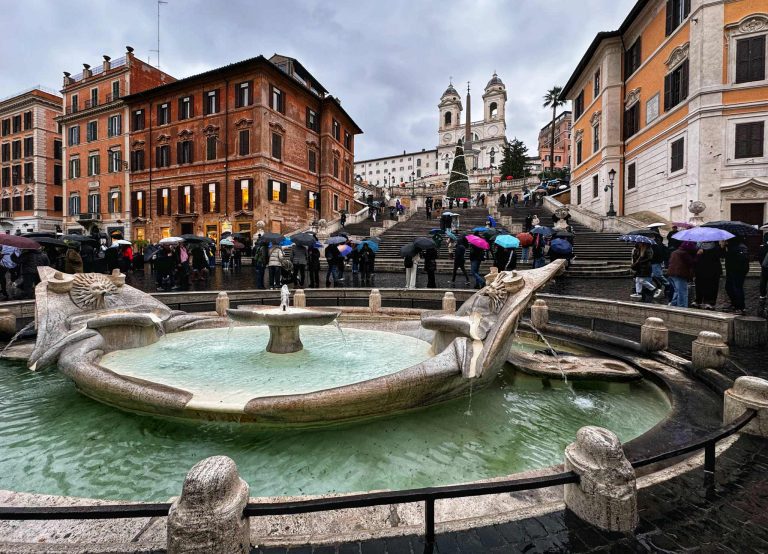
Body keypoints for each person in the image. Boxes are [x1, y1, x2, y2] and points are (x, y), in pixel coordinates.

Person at [724, 236, 750, 314]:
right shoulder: (732, 246)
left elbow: (740, 259)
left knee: (737, 288)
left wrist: (727, 249)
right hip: (731, 270)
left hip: (737, 271)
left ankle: (740, 307)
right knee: (729, 287)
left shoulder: (739, 247)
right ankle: (734, 304)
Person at [667, 242, 696, 308]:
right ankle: (682, 308)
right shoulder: (684, 253)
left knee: (677, 291)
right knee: (682, 292)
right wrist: (698, 255)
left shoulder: (674, 252)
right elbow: (692, 262)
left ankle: (673, 305)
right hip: (679, 274)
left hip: (671, 274)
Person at [694, 243, 722, 309]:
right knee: (699, 285)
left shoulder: (716, 245)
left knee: (712, 286)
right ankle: (699, 300)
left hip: (713, 269)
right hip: (701, 268)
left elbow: (718, 255)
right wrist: (698, 253)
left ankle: (710, 302)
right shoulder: (699, 245)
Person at [759, 234, 768, 316]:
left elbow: (760, 257)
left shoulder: (763, 245)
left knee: (763, 281)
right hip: (765, 265)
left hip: (765, 266)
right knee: (763, 281)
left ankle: (762, 295)